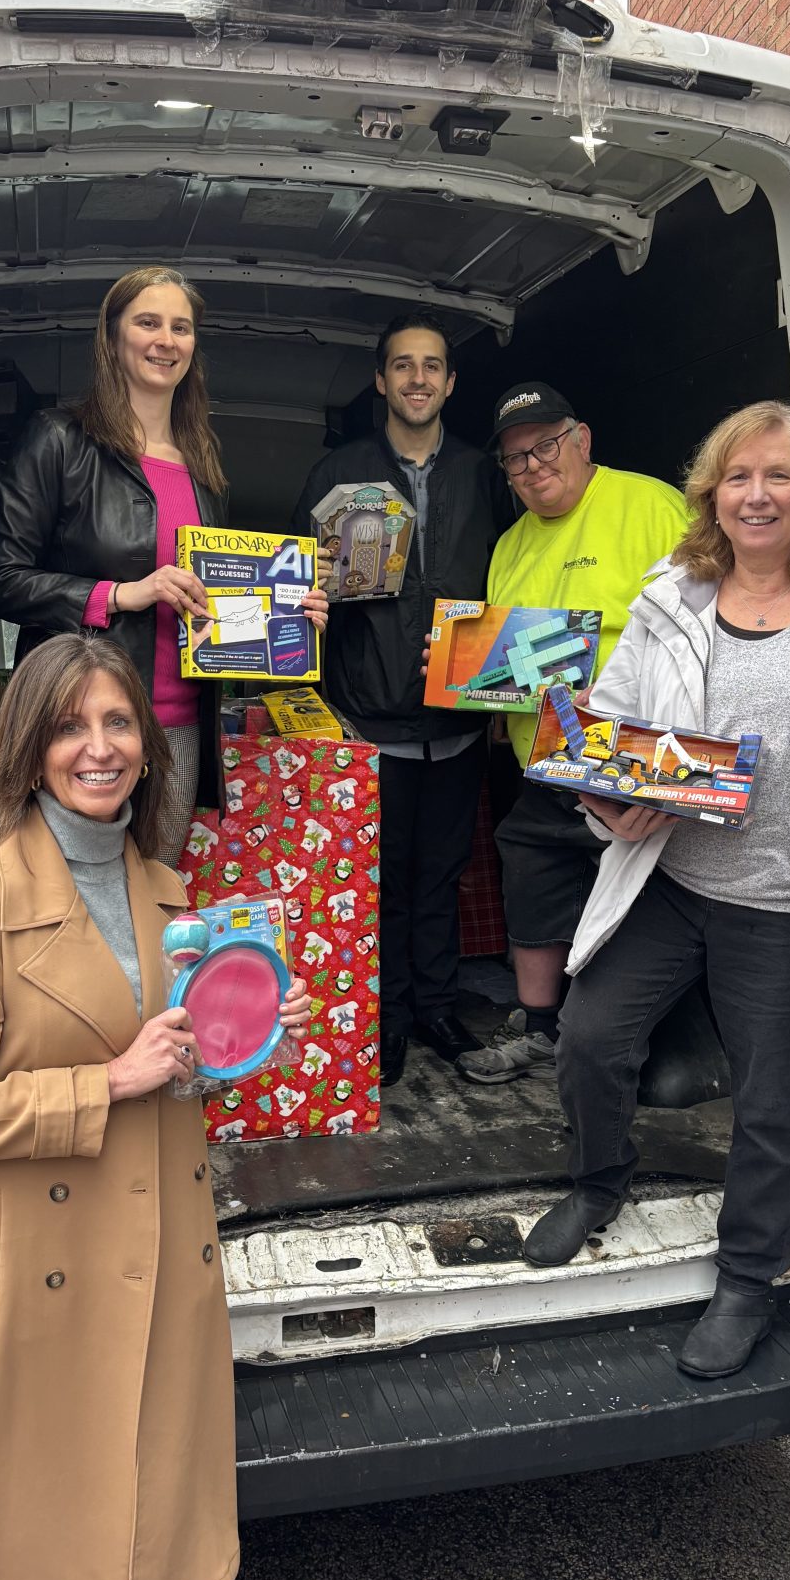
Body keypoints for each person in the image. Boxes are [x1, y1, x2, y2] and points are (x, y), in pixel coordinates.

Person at [0, 635, 312, 1580]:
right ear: (29, 748)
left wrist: (248, 1029)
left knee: (161, 1544)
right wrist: (105, 1083)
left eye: (119, 722)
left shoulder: (172, 893)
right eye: (70, 726)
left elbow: (177, 1070)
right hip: (26, 1277)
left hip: (158, 1269)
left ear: (149, 748)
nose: (99, 747)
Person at [521, 400, 790, 1379]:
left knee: (774, 1106)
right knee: (589, 1037)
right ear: (712, 494)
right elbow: (610, 728)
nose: (757, 495)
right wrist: (607, 802)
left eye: (779, 475)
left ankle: (747, 1278)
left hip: (788, 907)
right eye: (738, 477)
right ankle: (597, 1181)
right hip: (672, 880)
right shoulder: (672, 600)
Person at [0, 266, 328, 867]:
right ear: (113, 337)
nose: (166, 340)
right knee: (65, 899)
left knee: (155, 902)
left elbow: (216, 605)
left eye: (181, 328)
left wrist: (287, 615)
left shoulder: (205, 469)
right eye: (148, 323)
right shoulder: (60, 439)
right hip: (79, 728)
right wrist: (120, 595)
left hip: (179, 732)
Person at [291, 311, 515, 1088]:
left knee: (442, 876)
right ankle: (385, 1020)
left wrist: (497, 691)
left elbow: (512, 583)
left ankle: (437, 1011)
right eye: (402, 365)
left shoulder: (486, 474)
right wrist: (312, 604)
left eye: (432, 366)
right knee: (379, 881)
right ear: (381, 381)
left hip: (458, 722)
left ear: (450, 383)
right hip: (370, 719)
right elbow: (298, 587)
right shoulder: (338, 473)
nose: (417, 378)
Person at [456, 381, 690, 1085]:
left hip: (631, 749)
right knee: (531, 867)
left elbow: (705, 620)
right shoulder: (509, 545)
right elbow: (501, 658)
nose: (533, 466)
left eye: (546, 446)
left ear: (582, 439)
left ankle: (645, 1045)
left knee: (640, 897)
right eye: (515, 458)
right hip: (546, 756)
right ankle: (539, 1029)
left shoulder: (650, 505)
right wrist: (476, 684)